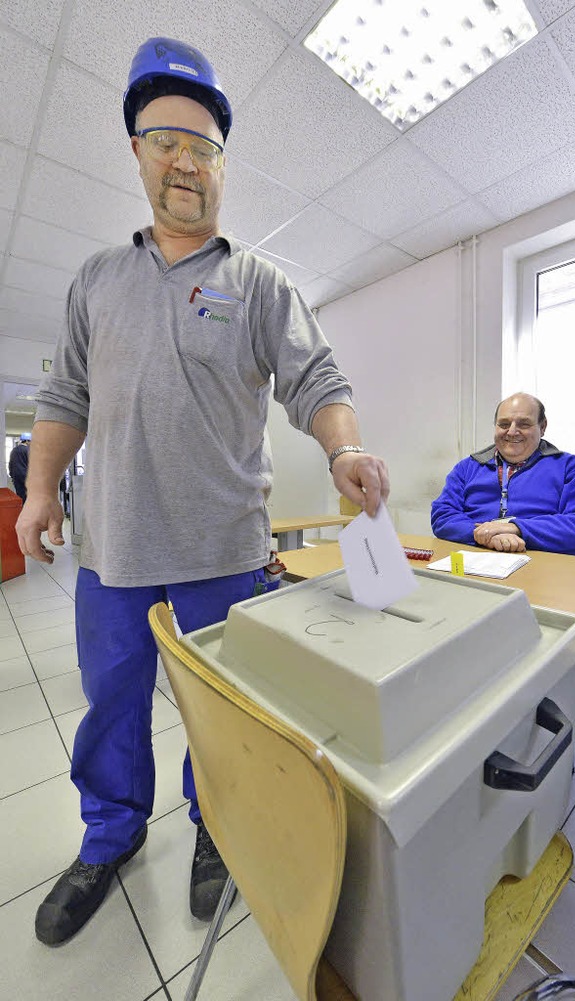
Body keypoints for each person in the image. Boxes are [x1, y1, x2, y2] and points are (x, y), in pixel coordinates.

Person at [15, 37, 389, 947]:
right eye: (164, 139)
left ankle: (216, 829)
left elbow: (319, 380)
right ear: (138, 152)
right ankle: (110, 834)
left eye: (204, 144)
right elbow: (65, 396)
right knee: (110, 703)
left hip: (225, 550)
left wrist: (345, 450)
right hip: (115, 550)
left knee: (221, 713)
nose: (185, 159)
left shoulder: (257, 282)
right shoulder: (97, 281)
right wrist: (39, 491)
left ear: (224, 162)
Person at [431, 393, 575, 556]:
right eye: (504, 424)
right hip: (476, 558)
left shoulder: (571, 468)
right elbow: (443, 515)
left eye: (524, 424)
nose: (512, 431)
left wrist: (516, 529)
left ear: (542, 427)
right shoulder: (467, 467)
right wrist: (486, 536)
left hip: (544, 566)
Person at [8, 434, 30, 504]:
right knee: (28, 498)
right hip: (26, 477)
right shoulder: (28, 450)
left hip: (16, 477)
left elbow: (10, 464)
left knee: (20, 497)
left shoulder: (13, 450)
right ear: (26, 441)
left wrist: (12, 476)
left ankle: (21, 513)